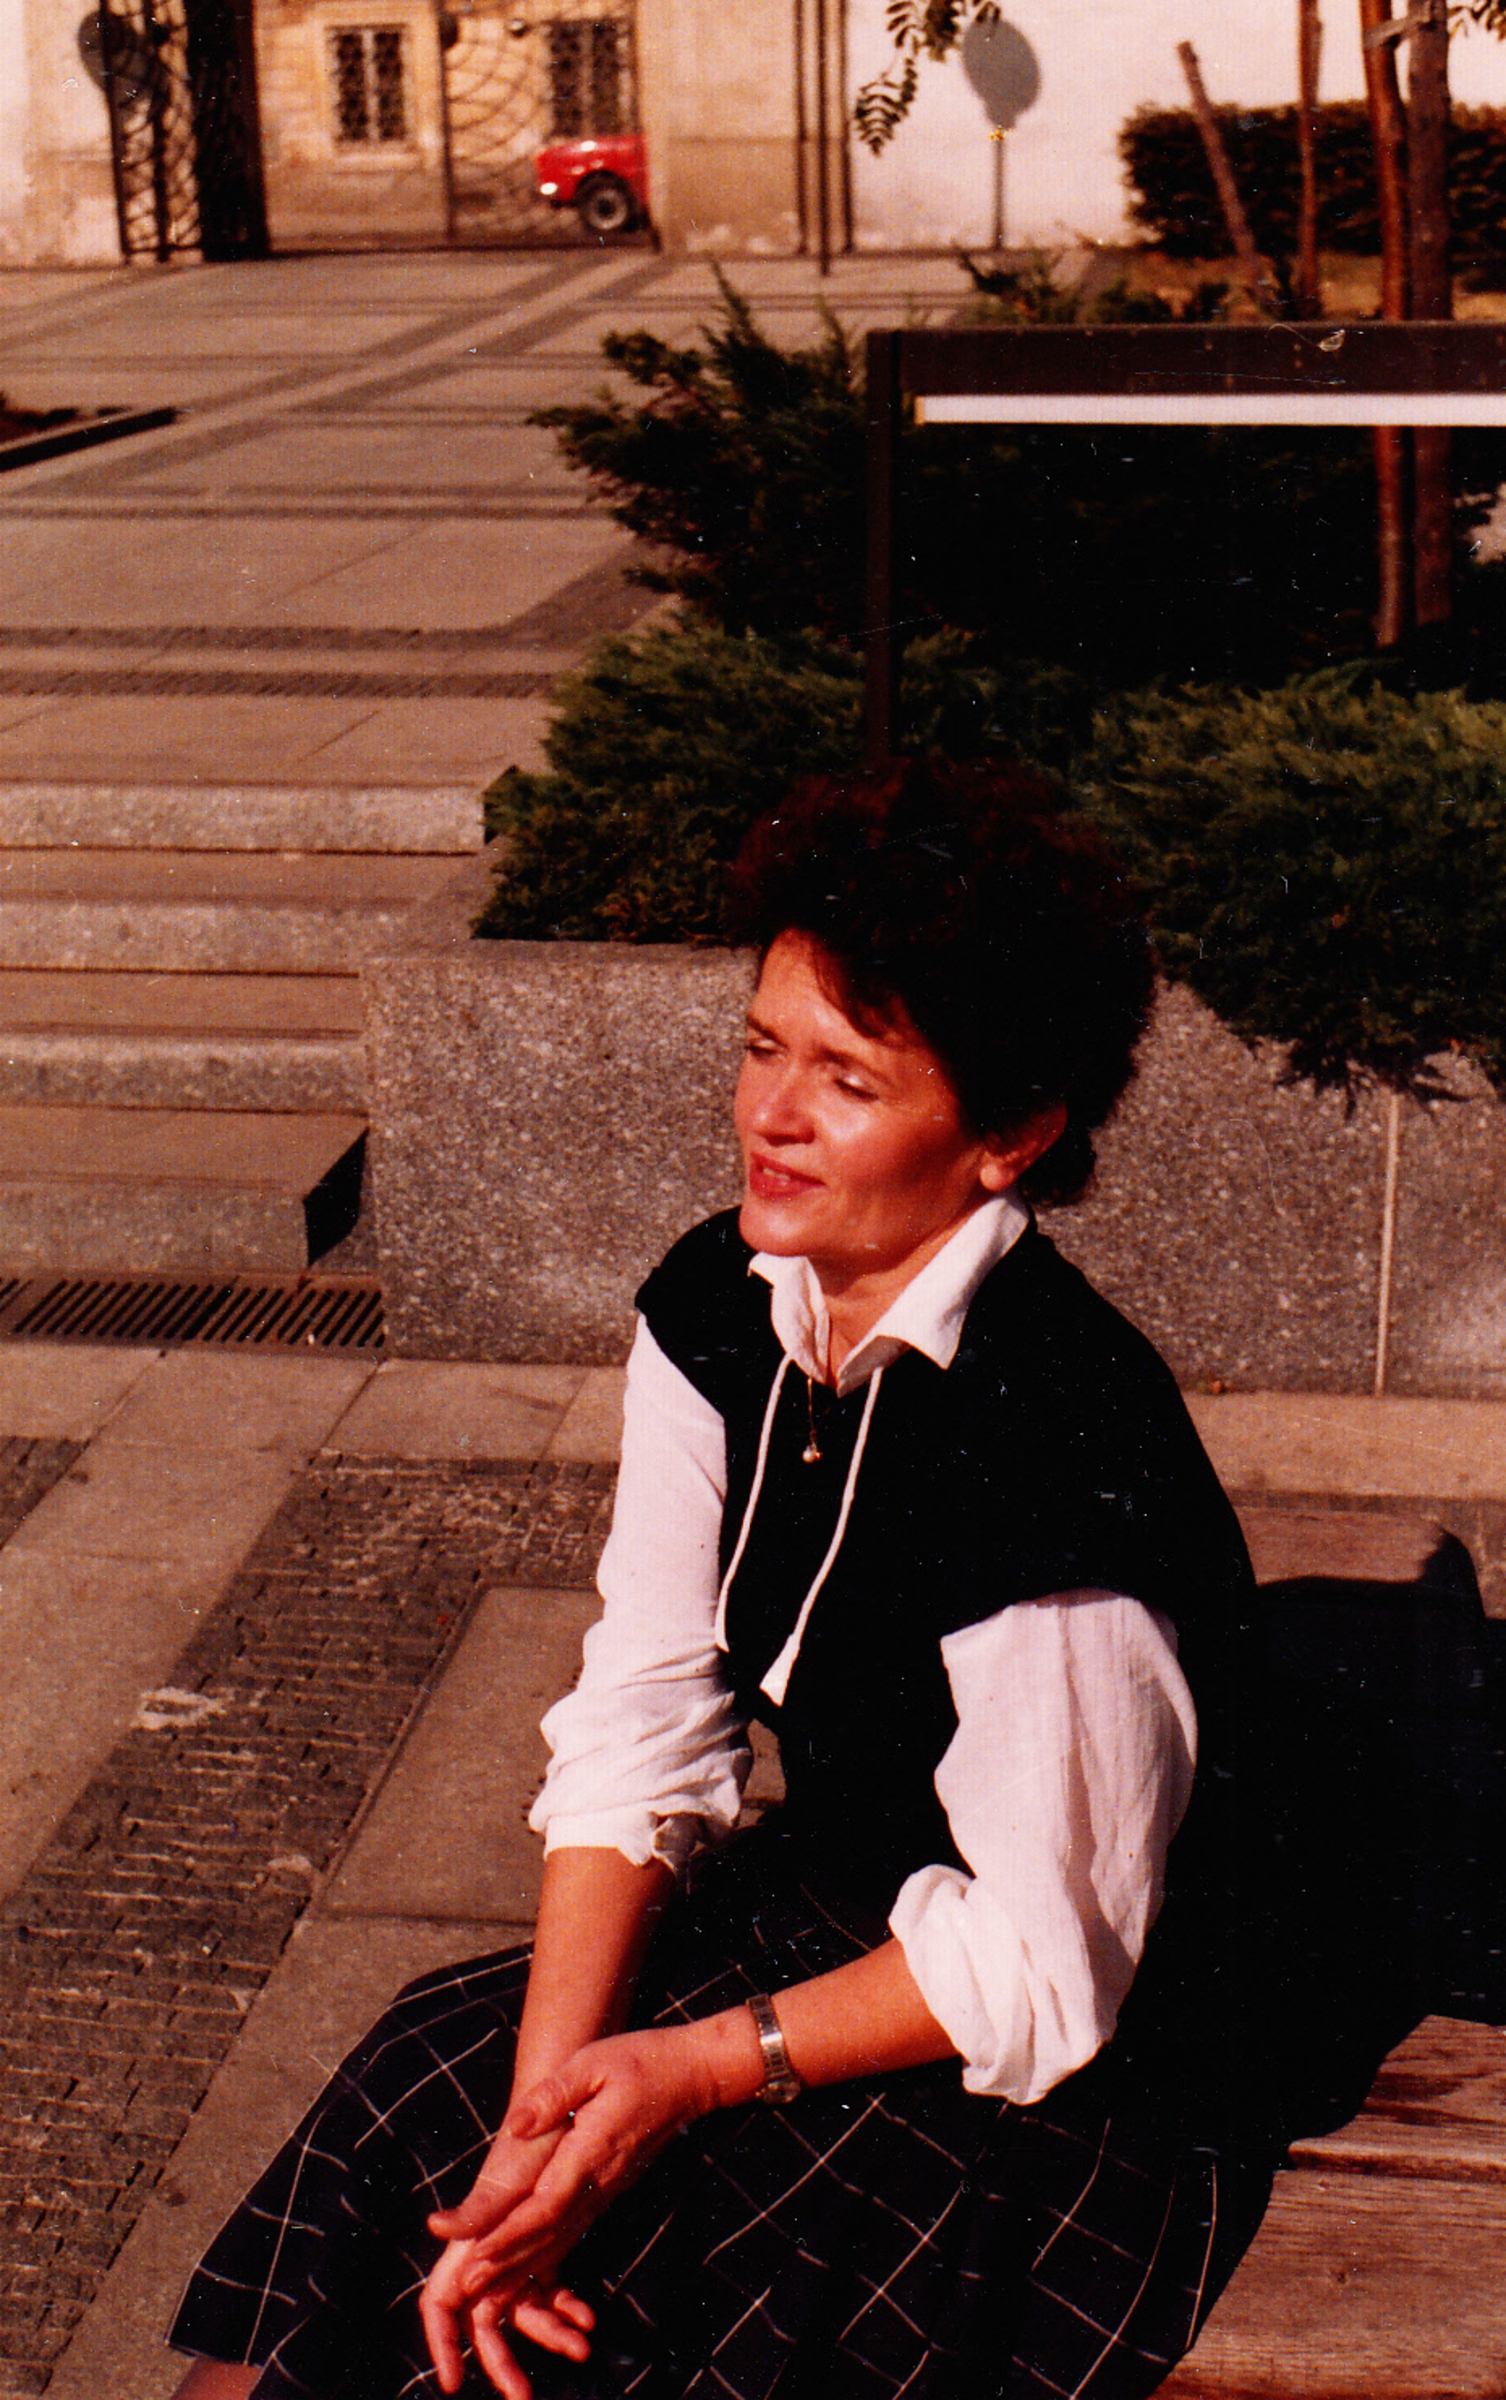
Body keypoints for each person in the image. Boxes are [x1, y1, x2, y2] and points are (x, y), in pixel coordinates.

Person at [166, 759, 1308, 2400]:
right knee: (430, 2104)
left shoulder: (1054, 1441)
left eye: (846, 1078)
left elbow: (1044, 1966)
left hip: (1050, 2068)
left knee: (611, 2306)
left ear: (1007, 1137)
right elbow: (645, 1710)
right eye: (762, 1047)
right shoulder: (725, 1302)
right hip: (825, 1914)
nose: (770, 1115)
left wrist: (689, 2074)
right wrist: (546, 2117)